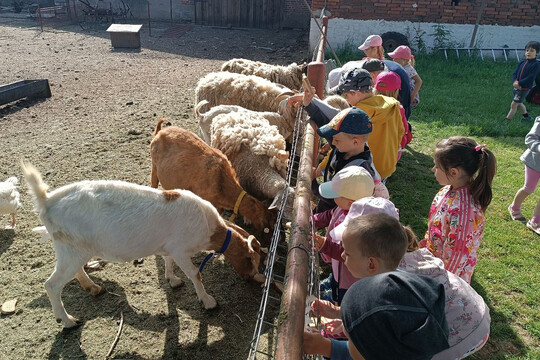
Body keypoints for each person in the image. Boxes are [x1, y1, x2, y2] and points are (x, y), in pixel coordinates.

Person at [304, 213, 450, 360]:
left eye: (347, 253)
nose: (342, 256)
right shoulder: (399, 287)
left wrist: (327, 347)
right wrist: (338, 313)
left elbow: (357, 355)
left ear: (371, 264)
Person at [420, 137, 497, 283]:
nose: (433, 169)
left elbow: (456, 257)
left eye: (436, 166)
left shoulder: (463, 212)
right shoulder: (447, 190)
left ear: (454, 172)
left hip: (446, 278)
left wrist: (443, 285)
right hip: (434, 263)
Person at [313, 166, 375, 305]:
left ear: (350, 202)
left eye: (336, 195)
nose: (333, 198)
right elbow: (330, 215)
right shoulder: (344, 207)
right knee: (336, 278)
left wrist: (324, 245)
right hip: (338, 268)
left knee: (343, 296)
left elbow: (346, 253)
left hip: (350, 278)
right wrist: (313, 220)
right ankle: (333, 283)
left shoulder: (359, 226)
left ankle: (337, 304)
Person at [509, 116, 540, 234]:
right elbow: (530, 138)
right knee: (529, 188)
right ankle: (514, 208)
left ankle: (535, 221)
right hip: (534, 162)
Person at [373, 70, 412, 161]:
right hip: (391, 152)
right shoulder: (398, 108)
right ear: (396, 91)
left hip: (372, 150)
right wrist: (401, 145)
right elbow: (403, 128)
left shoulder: (369, 105)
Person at [504, 41, 540, 122]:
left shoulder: (536, 64)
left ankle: (507, 120)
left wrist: (519, 83)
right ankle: (527, 118)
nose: (528, 52)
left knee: (514, 104)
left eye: (532, 51)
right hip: (517, 87)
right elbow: (515, 73)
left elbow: (531, 77)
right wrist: (515, 81)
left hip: (524, 88)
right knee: (519, 103)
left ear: (536, 53)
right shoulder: (522, 62)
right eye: (527, 50)